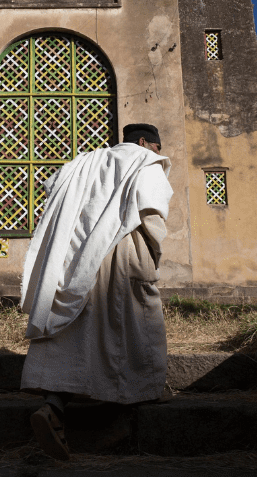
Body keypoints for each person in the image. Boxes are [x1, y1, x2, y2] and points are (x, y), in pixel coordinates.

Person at [19, 123, 174, 460]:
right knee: (135, 321)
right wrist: (153, 253)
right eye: (157, 147)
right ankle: (143, 391)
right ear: (145, 142)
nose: (159, 154)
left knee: (73, 329)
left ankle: (53, 406)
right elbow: (151, 215)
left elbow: (52, 191)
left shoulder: (84, 163)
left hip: (76, 254)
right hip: (125, 250)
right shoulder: (144, 161)